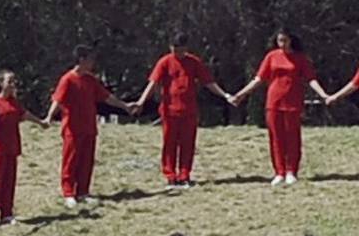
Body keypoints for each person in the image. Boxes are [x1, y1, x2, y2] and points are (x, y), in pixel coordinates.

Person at [127, 32, 232, 190]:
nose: (177, 53)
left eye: (181, 50)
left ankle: (184, 175)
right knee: (169, 143)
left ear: (186, 48)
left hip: (189, 111)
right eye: (174, 49)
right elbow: (153, 83)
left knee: (187, 144)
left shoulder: (194, 62)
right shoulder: (164, 62)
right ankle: (170, 176)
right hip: (169, 111)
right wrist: (141, 101)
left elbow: (209, 82)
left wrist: (225, 95)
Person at [230, 28, 335, 186]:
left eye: (285, 40)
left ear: (291, 40)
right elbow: (258, 79)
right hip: (274, 102)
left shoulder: (300, 59)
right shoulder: (271, 57)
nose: (282, 44)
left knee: (292, 137)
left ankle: (291, 171)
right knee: (276, 137)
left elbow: (311, 79)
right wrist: (241, 94)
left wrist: (324, 95)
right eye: (279, 41)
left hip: (293, 103)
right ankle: (279, 172)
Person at [44, 44, 122, 207]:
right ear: (81, 60)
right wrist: (49, 117)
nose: (93, 63)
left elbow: (106, 97)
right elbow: (57, 100)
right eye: (90, 59)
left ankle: (83, 192)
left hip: (89, 127)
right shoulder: (68, 79)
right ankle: (68, 193)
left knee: (87, 161)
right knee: (71, 161)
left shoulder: (90, 79)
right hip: (72, 128)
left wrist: (125, 106)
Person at [0, 70, 47, 228]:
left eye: (14, 81)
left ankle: (7, 213)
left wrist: (40, 122)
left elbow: (25, 114)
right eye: (10, 81)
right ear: (1, 83)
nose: (13, 84)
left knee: (9, 181)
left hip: (12, 147)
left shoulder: (14, 102)